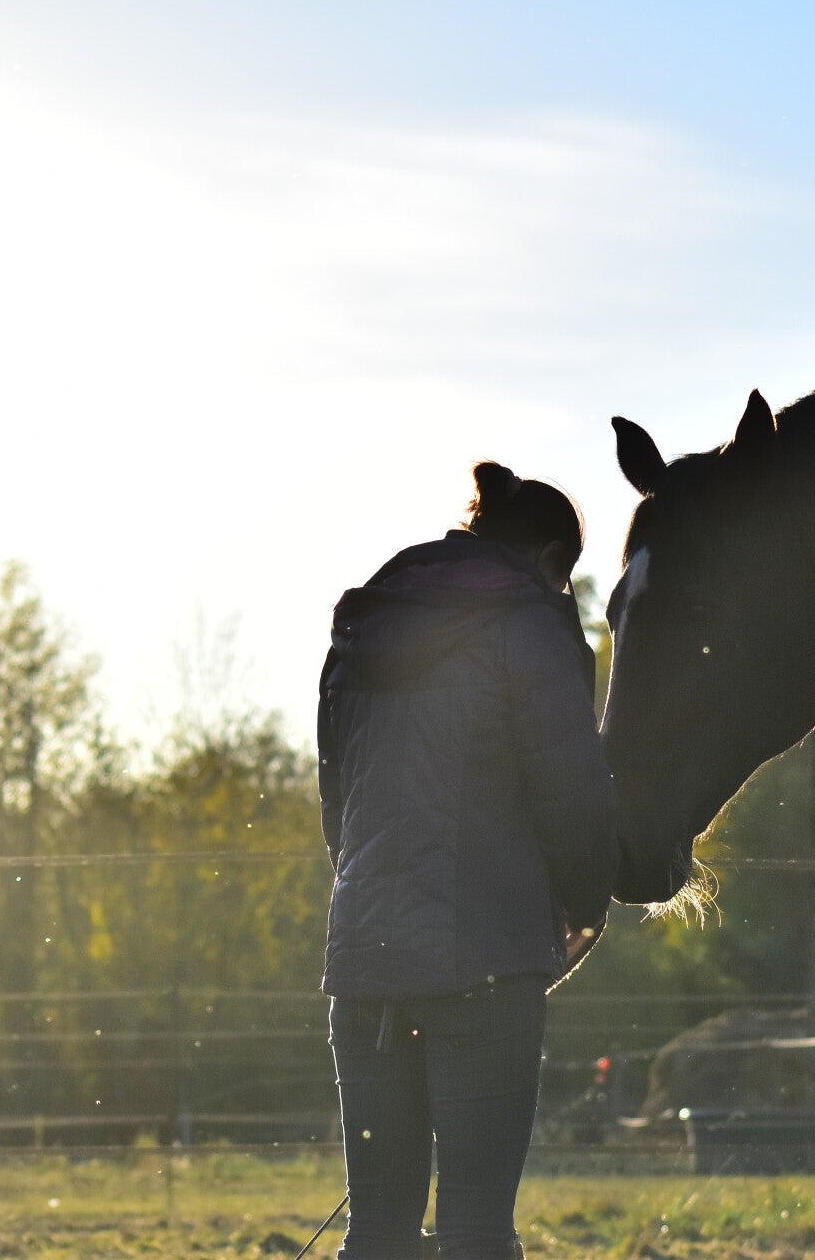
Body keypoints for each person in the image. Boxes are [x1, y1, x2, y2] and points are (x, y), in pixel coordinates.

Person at [317, 462, 620, 1260]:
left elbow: (337, 800)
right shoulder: (531, 625)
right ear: (552, 557)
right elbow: (571, 787)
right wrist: (587, 902)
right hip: (486, 962)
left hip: (367, 961)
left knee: (377, 1232)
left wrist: (375, 913)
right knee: (476, 1231)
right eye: (568, 577)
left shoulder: (368, 619)